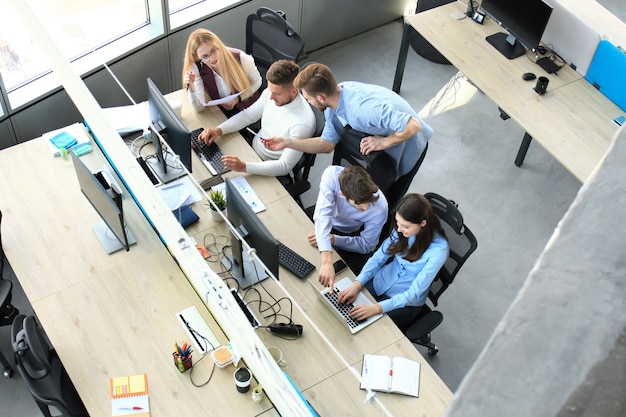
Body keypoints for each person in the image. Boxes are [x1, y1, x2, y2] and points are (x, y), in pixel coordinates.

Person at [262, 63, 433, 207]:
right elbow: (326, 144)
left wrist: (384, 143)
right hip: (386, 134)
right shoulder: (334, 102)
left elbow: (413, 125)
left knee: (388, 201)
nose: (308, 103)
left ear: (320, 97)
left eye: (308, 99)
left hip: (410, 143)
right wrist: (287, 142)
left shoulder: (362, 110)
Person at [336, 193, 449, 331]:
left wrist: (377, 308)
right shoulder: (401, 229)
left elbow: (412, 294)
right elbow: (378, 258)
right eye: (398, 223)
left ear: (423, 223)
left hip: (404, 302)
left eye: (405, 227)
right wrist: (357, 283)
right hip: (381, 282)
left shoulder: (439, 251)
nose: (399, 230)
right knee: (343, 305)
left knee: (366, 328)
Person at [198, 60, 316, 177]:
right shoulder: (272, 93)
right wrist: (218, 130)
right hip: (251, 151)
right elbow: (247, 116)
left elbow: (284, 166)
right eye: (270, 90)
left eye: (277, 94)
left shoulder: (302, 124)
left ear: (294, 91)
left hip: (268, 167)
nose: (270, 97)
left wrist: (243, 167)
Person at [309, 165, 388, 288]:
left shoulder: (380, 208)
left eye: (368, 202)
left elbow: (366, 245)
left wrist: (334, 239)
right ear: (342, 194)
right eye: (359, 203)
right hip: (327, 221)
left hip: (349, 233)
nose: (366, 208)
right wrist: (326, 261)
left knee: (331, 281)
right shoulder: (331, 175)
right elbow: (322, 217)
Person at [182, 29, 262, 116]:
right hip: (221, 113)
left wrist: (238, 98)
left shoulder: (240, 57)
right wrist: (191, 86)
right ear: (198, 57)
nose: (212, 59)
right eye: (205, 56)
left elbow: (257, 82)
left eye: (213, 51)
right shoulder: (197, 67)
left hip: (248, 109)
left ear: (218, 45)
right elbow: (199, 108)